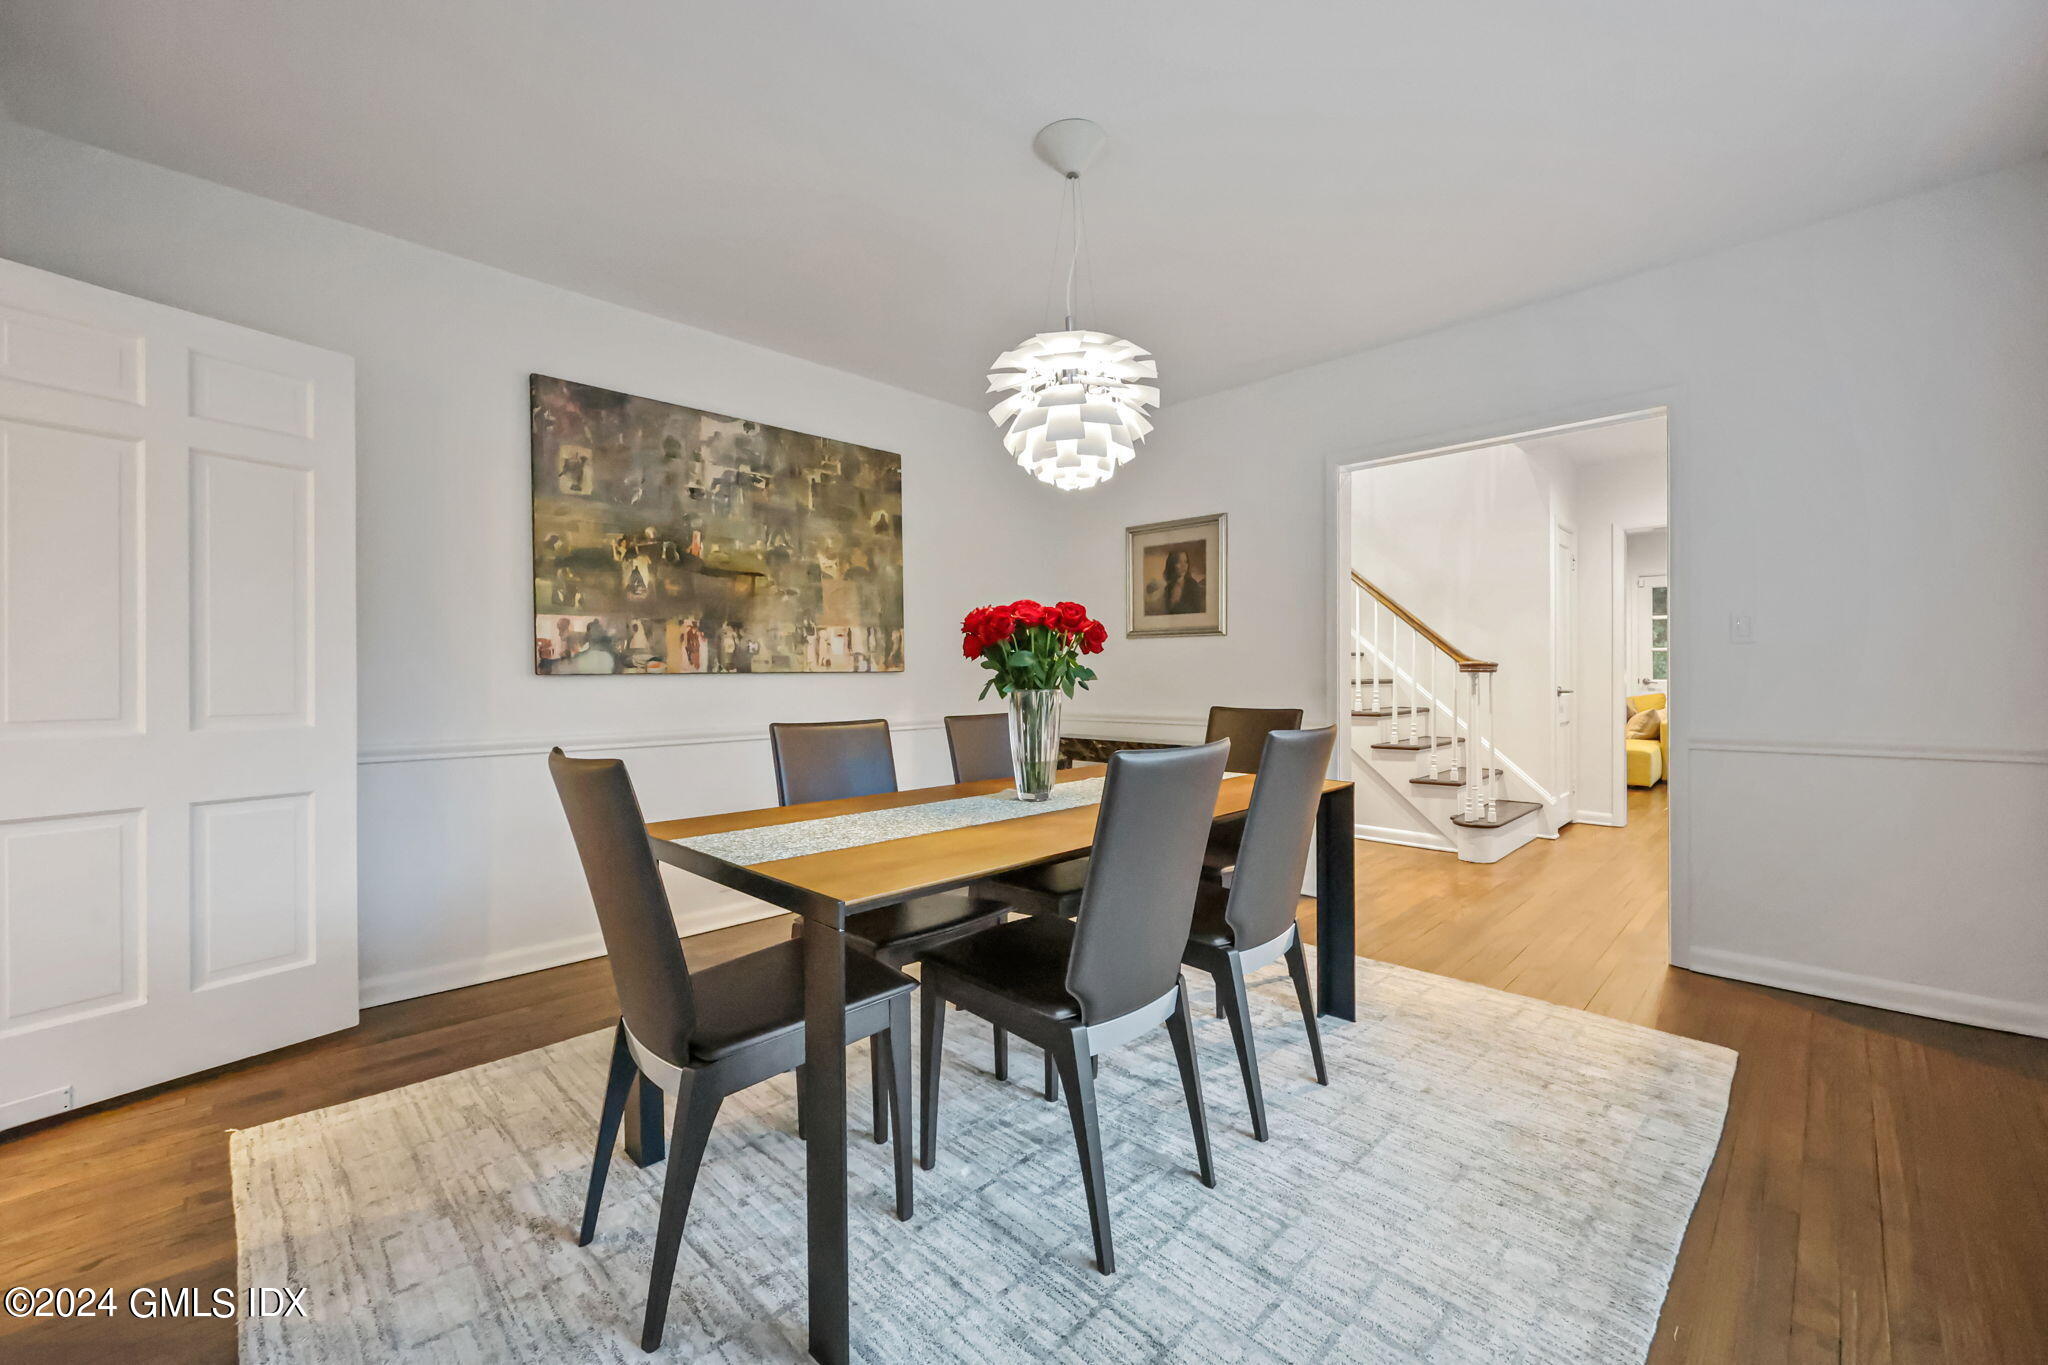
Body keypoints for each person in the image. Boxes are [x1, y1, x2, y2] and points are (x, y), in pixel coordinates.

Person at [1149, 547, 1206, 615]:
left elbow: (1196, 611)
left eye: (1186, 562)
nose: (1184, 566)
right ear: (1172, 565)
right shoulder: (1168, 587)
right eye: (1179, 562)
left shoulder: (1192, 585)